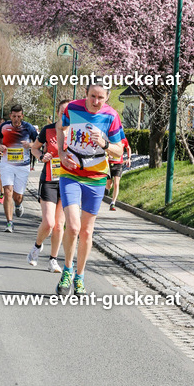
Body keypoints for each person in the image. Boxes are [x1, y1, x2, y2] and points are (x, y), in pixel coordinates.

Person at [55, 80, 124, 294]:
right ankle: (67, 270)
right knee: (73, 227)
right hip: (71, 174)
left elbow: (119, 151)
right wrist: (61, 152)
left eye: (100, 98)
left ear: (106, 99)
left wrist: (104, 144)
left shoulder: (111, 116)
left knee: (86, 232)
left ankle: (80, 276)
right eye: (92, 96)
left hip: (95, 178)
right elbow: (60, 127)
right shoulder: (72, 108)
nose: (95, 101)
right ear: (85, 94)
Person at [27, 100, 71, 272]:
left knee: (60, 225)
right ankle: (37, 247)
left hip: (68, 182)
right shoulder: (48, 129)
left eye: (69, 112)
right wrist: (41, 156)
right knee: (48, 223)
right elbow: (34, 148)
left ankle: (53, 260)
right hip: (49, 181)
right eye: (62, 112)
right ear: (58, 113)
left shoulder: (77, 132)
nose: (65, 115)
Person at [0, 103, 38, 232]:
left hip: (22, 166)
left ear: (22, 116)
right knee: (7, 191)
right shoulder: (4, 126)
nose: (16, 119)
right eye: (14, 116)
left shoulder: (29, 128)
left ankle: (18, 205)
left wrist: (29, 145)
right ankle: (9, 222)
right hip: (7, 163)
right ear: (10, 116)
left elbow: (39, 143)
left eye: (19, 116)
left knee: (17, 196)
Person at [106, 131, 132, 210]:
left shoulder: (123, 139)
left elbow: (128, 148)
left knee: (116, 183)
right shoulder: (109, 139)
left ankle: (113, 203)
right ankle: (106, 189)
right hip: (109, 164)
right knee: (109, 185)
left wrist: (128, 158)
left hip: (118, 164)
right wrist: (108, 154)